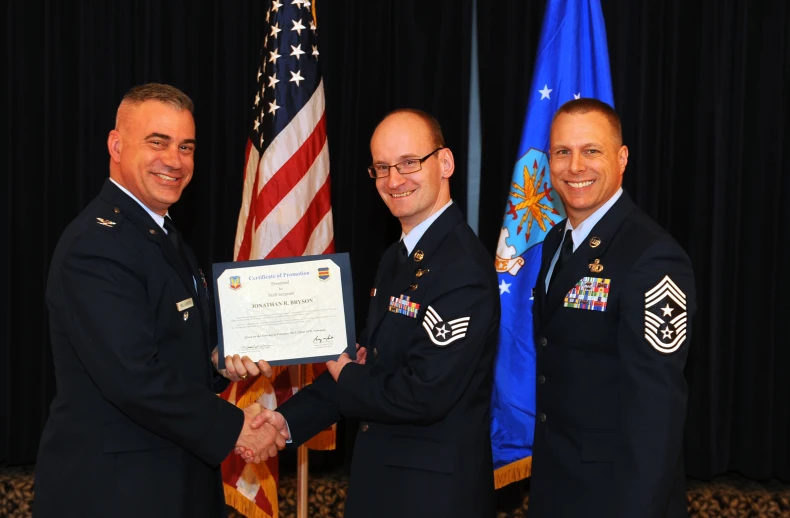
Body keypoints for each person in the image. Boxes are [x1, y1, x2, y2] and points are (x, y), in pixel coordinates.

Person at [34, 83, 285, 518]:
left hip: (170, 478)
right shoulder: (97, 244)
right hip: (115, 493)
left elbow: (171, 349)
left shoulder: (162, 236)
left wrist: (218, 362)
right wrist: (235, 429)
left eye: (186, 147)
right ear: (116, 144)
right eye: (158, 142)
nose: (175, 160)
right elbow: (131, 376)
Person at [241, 109, 501, 517]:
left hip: (431, 499)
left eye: (409, 163)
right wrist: (282, 422)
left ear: (445, 162)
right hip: (385, 488)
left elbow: (421, 395)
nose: (394, 180)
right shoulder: (396, 258)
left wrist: (347, 372)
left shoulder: (461, 268)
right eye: (382, 168)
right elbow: (369, 369)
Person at [528, 98, 696, 517]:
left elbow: (657, 414)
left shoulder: (653, 257)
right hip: (557, 484)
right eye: (562, 152)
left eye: (591, 151)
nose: (575, 166)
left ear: (621, 158)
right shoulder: (554, 242)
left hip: (617, 496)